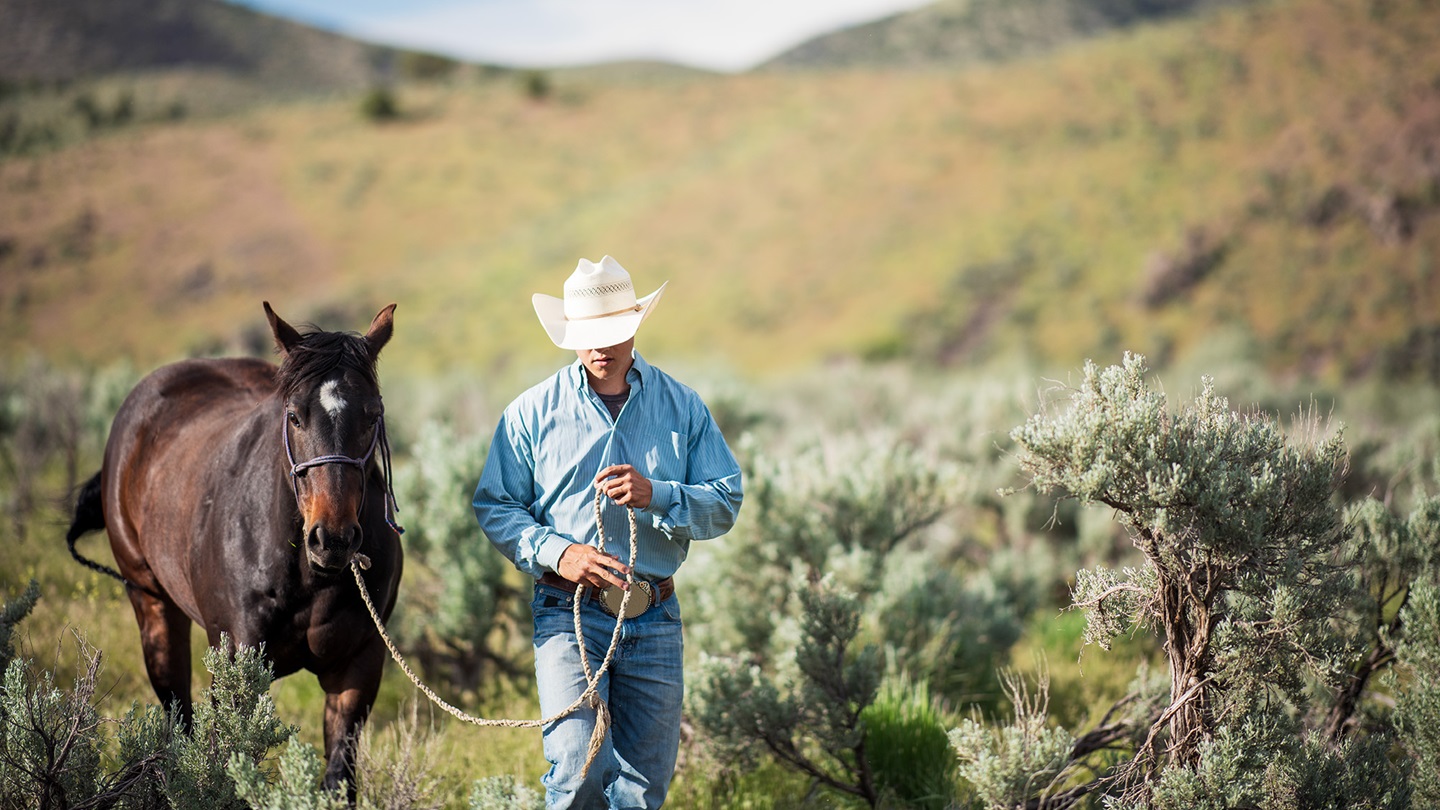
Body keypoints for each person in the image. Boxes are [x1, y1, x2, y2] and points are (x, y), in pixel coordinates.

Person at [473, 255, 743, 809]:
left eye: (613, 331)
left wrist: (658, 494)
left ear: (634, 325)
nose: (600, 347)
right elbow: (496, 505)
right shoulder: (530, 413)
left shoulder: (683, 407)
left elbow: (725, 500)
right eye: (587, 335)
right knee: (577, 770)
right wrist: (559, 552)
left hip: (655, 614)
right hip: (567, 610)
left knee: (644, 788)